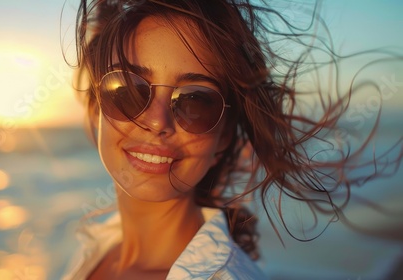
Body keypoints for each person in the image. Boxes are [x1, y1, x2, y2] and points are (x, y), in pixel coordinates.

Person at [62, 0, 401, 279]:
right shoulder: (96, 245)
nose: (157, 121)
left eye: (196, 101)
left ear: (223, 135)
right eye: (129, 91)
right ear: (96, 110)